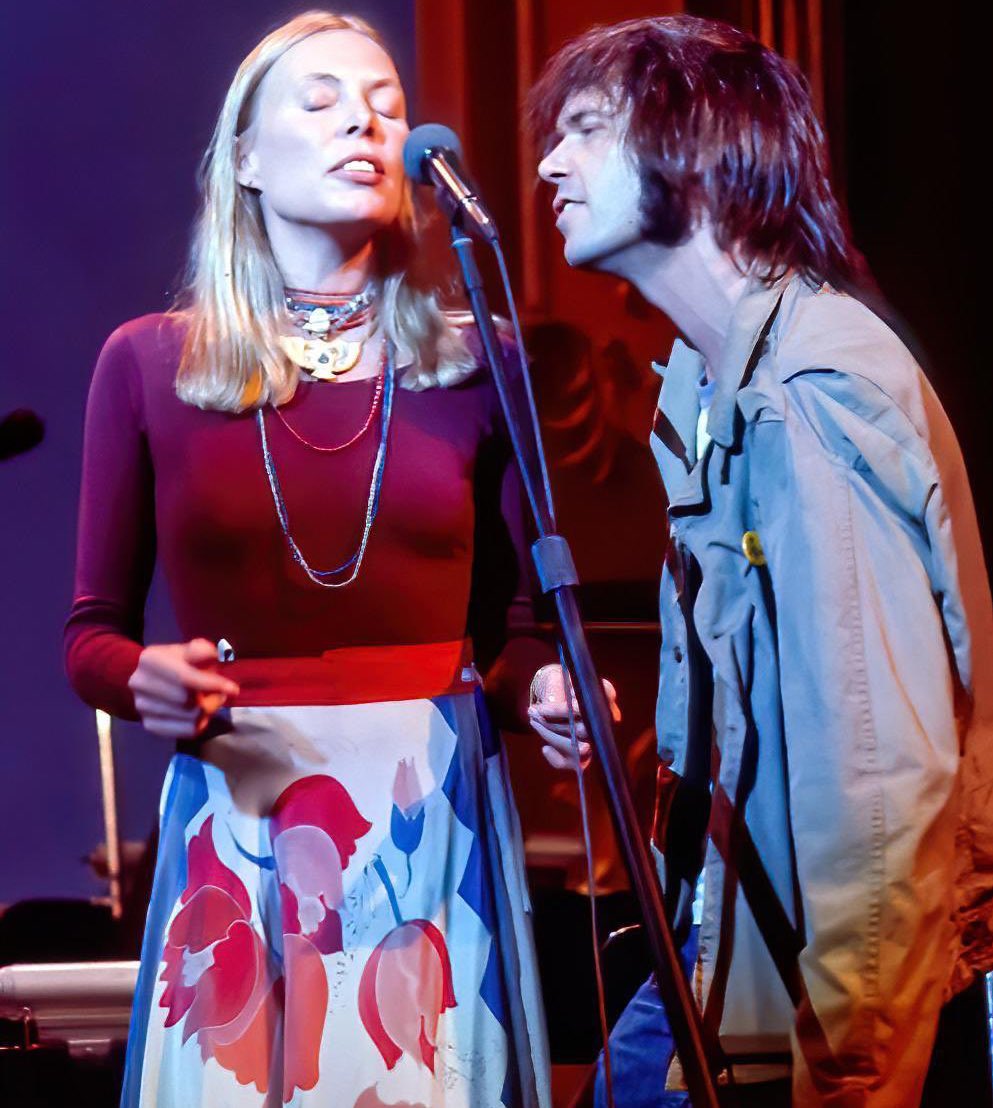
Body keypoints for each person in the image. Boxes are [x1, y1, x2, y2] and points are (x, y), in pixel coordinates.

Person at [65, 12, 557, 1106]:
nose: (366, 124)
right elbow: (90, 635)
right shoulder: (148, 364)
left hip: (431, 804)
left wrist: (553, 688)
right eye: (323, 100)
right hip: (246, 803)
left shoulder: (482, 361)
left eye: (386, 104)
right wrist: (138, 674)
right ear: (245, 157)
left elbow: (516, 634)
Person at [526, 15, 993, 1107]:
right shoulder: (717, 381)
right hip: (721, 965)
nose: (549, 159)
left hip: (820, 1003)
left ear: (696, 146)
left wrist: (853, 1079)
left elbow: (875, 797)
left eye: (587, 128)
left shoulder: (807, 392)